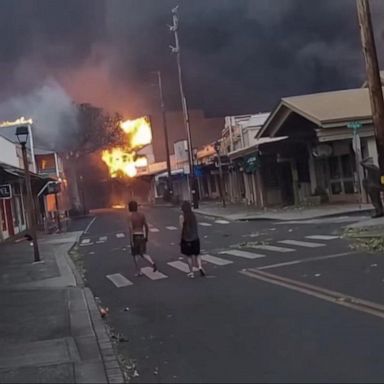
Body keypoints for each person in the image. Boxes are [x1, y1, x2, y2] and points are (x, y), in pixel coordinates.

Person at [128, 200, 157, 276]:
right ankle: (152, 263)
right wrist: (146, 236)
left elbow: (131, 229)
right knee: (143, 253)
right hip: (141, 235)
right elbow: (146, 226)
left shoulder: (130, 216)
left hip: (135, 236)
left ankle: (138, 271)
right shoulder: (142, 215)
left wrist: (131, 241)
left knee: (136, 255)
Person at [179, 201, 205, 278]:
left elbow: (182, 229)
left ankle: (191, 272)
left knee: (189, 256)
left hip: (187, 239)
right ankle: (200, 267)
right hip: (195, 238)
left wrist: (182, 238)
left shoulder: (182, 217)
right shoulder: (193, 215)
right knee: (197, 254)